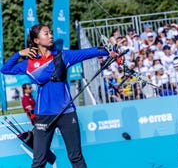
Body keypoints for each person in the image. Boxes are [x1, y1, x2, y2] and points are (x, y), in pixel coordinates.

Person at [1, 24, 116, 168]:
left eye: (51, 33)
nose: (51, 36)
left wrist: (110, 51)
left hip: (67, 113)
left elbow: (88, 52)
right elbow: (5, 69)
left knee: (76, 158)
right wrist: (19, 54)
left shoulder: (63, 56)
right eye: (46, 33)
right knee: (39, 161)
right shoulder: (28, 64)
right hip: (43, 115)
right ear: (36, 40)